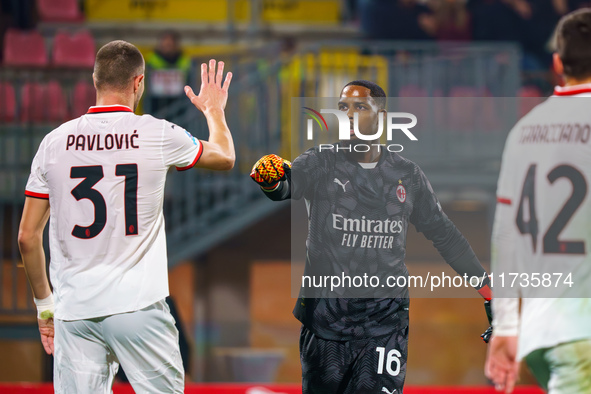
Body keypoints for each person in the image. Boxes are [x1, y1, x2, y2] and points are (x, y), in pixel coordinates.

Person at [17, 40, 234, 393]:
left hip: (75, 312)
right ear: (139, 83)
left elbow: (27, 237)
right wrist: (214, 111)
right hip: (138, 307)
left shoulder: (53, 144)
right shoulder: (158, 133)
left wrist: (45, 307)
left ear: (95, 79)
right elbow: (224, 156)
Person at [250, 80, 492, 393]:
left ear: (381, 115)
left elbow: (445, 235)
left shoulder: (407, 175)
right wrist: (270, 182)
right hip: (325, 327)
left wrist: (488, 291)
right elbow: (285, 187)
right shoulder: (319, 162)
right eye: (343, 108)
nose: (349, 115)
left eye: (360, 107)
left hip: (385, 325)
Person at [485, 9, 591, 394]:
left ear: (558, 63)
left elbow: (505, 237)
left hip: (540, 336)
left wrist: (507, 326)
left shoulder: (523, 131)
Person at [146, 29, 192, 114]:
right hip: (156, 104)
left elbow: (190, 80)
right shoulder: (151, 59)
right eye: (165, 43)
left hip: (178, 104)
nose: (168, 45)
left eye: (170, 43)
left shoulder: (185, 60)